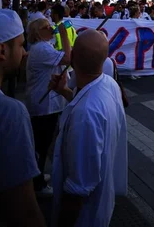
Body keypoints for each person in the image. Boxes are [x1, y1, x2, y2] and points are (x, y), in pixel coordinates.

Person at [50, 29, 127, 227]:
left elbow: (78, 188)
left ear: (73, 58)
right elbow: (82, 97)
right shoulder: (108, 84)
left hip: (85, 218)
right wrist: (64, 91)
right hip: (102, 206)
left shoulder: (85, 115)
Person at [0, 10, 46, 226]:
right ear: (2, 50)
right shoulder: (9, 113)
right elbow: (25, 210)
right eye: (20, 45)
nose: (25, 52)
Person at [26, 18, 71, 195]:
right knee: (41, 145)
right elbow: (68, 57)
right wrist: (64, 34)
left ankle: (37, 176)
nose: (51, 29)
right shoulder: (42, 49)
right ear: (38, 33)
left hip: (44, 103)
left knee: (42, 143)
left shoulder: (43, 47)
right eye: (47, 27)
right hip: (44, 106)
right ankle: (37, 185)